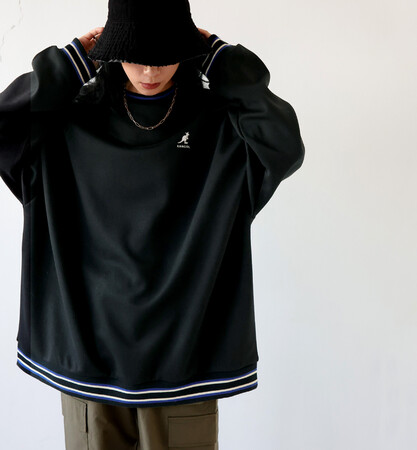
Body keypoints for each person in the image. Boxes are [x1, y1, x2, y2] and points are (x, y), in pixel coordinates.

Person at [0, 0, 305, 448]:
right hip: (88, 355)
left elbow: (285, 145)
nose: (149, 70)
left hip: (185, 358)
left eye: (164, 55)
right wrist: (68, 65)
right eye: (134, 54)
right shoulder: (69, 122)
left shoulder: (222, 125)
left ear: (187, 50)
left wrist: (222, 59)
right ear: (110, 48)